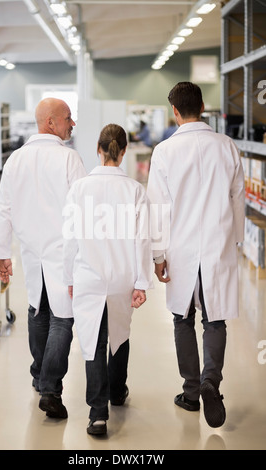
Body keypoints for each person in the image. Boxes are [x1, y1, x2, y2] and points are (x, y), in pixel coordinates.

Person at [147, 82, 245, 428]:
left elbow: (158, 209)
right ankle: (210, 383)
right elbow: (238, 200)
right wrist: (234, 242)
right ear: (202, 106)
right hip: (218, 246)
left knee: (182, 319)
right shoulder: (227, 146)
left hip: (181, 248)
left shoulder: (164, 152)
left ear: (174, 111)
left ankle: (191, 393)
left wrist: (158, 256)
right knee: (215, 320)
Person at [0, 98, 86, 419]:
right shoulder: (69, 159)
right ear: (50, 123)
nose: (72, 123)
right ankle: (50, 388)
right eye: (68, 118)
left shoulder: (15, 160)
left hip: (31, 251)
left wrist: (2, 254)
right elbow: (81, 213)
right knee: (63, 319)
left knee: (38, 310)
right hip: (63, 252)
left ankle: (38, 375)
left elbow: (3, 209)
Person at [62, 123, 153, 436]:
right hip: (122, 277)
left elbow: (70, 240)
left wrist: (69, 276)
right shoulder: (135, 191)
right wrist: (142, 281)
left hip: (88, 275)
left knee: (93, 342)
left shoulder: (79, 189)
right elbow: (143, 241)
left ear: (98, 151)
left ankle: (97, 414)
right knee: (120, 333)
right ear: (124, 151)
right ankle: (117, 391)